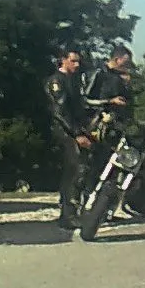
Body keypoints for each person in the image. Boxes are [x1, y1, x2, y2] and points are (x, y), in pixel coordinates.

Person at [45, 49, 92, 229]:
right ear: (63, 61)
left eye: (78, 61)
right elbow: (61, 112)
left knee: (76, 170)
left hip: (74, 129)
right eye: (73, 61)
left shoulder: (73, 81)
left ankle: (71, 210)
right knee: (76, 171)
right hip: (65, 132)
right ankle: (68, 214)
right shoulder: (57, 81)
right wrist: (76, 134)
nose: (77, 65)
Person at [84, 44, 134, 123]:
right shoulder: (98, 73)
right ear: (117, 60)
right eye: (126, 63)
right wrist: (110, 101)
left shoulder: (120, 78)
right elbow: (85, 100)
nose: (128, 67)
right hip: (94, 121)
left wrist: (127, 86)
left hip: (116, 122)